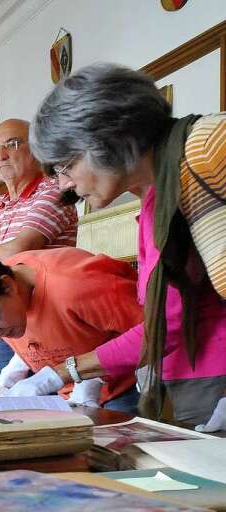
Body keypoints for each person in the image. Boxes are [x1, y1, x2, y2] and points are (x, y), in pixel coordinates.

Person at [25, 63, 226, 430]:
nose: (63, 186)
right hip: (189, 377)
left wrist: (64, 371)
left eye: (67, 166)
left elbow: (167, 321)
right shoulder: (156, 201)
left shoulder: (205, 149)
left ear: (109, 138)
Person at [0, 251, 144, 412]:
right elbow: (55, 327)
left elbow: (155, 333)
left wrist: (92, 378)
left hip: (125, 390)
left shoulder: (76, 285)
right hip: (69, 399)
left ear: (8, 286)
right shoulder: (2, 299)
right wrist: (17, 366)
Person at [0, 118, 79, 387]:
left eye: (12, 144)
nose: (1, 155)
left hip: (30, 324)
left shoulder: (52, 190)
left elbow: (20, 249)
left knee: (24, 418)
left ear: (35, 150)